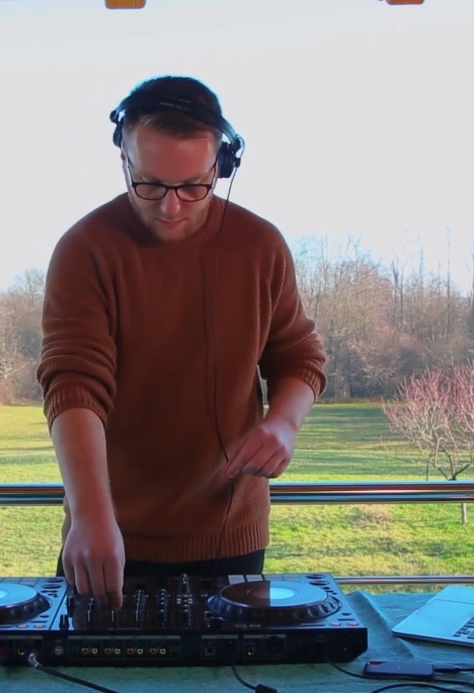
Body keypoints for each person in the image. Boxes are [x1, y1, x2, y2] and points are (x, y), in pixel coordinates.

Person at [35, 75, 327, 609]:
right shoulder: (85, 249)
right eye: (148, 184)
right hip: (106, 536)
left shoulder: (260, 246)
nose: (171, 207)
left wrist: (284, 422)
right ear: (123, 157)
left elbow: (299, 357)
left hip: (231, 535)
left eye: (194, 186)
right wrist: (91, 516)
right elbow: (74, 385)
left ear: (223, 165)